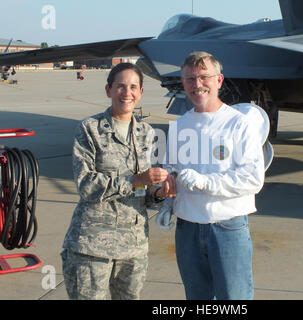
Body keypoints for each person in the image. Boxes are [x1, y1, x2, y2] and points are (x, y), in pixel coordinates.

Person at [61, 62, 176, 300]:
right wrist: (136, 180)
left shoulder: (147, 133)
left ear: (141, 92)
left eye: (133, 87)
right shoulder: (90, 129)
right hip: (92, 246)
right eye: (120, 86)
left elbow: (147, 192)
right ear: (109, 90)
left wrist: (159, 193)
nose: (127, 93)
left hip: (133, 247)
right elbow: (86, 185)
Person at [161, 52, 267, 299]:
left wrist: (206, 182)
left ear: (219, 80)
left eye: (203, 77)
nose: (197, 84)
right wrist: (166, 201)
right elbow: (171, 172)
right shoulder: (179, 126)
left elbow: (253, 178)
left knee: (234, 299)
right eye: (189, 79)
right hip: (187, 228)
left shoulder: (238, 124)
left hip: (227, 227)